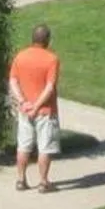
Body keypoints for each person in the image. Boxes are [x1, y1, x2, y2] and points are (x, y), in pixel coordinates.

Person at [8, 24, 61, 192]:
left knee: (23, 146)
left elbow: (13, 81)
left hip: (25, 111)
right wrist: (37, 105)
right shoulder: (52, 59)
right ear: (47, 40)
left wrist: (23, 102)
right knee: (45, 147)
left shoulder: (21, 56)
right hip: (45, 111)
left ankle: (21, 180)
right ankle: (44, 182)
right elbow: (50, 87)